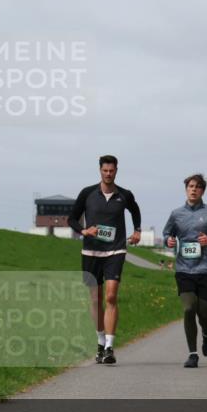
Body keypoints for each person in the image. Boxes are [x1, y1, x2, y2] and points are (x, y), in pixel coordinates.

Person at [68, 155, 142, 365]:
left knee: (110, 297)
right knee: (95, 299)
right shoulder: (87, 193)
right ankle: (100, 342)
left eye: (112, 171)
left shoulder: (124, 195)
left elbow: (135, 211)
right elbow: (71, 218)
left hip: (115, 251)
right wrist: (84, 230)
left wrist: (137, 230)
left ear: (116, 171)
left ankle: (109, 347)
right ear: (100, 170)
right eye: (105, 171)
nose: (108, 174)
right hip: (91, 252)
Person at [162, 174, 207, 368]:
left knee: (204, 313)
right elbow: (167, 233)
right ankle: (192, 354)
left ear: (203, 191)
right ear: (186, 189)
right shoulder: (176, 214)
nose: (194, 190)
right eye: (191, 186)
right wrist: (169, 240)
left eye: (198, 187)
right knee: (188, 308)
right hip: (184, 269)